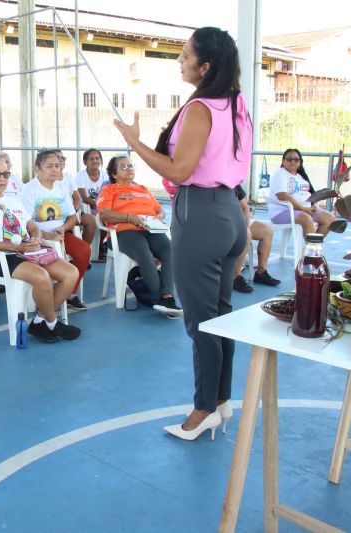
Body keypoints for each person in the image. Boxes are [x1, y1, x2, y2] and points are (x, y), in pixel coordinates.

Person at [114, 27, 252, 440]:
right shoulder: (236, 102)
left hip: (201, 217)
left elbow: (178, 171)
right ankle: (221, 399)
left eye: (185, 55)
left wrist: (134, 143)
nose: (179, 60)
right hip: (230, 213)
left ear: (205, 66)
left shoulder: (199, 109)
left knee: (201, 323)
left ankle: (203, 408)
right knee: (221, 315)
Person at [0, 156, 81, 343]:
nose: (2, 178)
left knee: (71, 273)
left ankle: (39, 320)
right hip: (3, 257)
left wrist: (36, 240)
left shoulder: (13, 200)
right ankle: (53, 323)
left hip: (29, 251)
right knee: (41, 277)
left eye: (6, 174)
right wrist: (16, 246)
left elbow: (33, 228)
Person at [97, 155, 182, 317]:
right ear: (114, 174)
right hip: (124, 231)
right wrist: (130, 218)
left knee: (170, 251)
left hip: (150, 228)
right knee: (145, 255)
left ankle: (166, 297)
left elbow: (159, 209)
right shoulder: (109, 190)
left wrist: (160, 215)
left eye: (131, 166)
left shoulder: (142, 189)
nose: (129, 169)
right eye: (123, 166)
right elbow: (105, 214)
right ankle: (164, 299)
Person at [20, 150, 90, 310]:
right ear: (37, 168)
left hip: (60, 235)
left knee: (84, 251)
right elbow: (24, 223)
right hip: (37, 238)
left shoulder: (61, 188)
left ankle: (69, 293)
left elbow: (73, 218)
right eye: (49, 166)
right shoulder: (30, 189)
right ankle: (46, 299)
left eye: (57, 166)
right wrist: (47, 235)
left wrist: (63, 228)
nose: (55, 169)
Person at [269, 148, 335, 237]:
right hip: (282, 212)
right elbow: (283, 196)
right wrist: (303, 209)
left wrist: (313, 205)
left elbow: (309, 194)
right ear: (283, 161)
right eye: (289, 159)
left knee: (329, 218)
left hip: (305, 210)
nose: (293, 161)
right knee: (306, 218)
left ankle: (312, 245)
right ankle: (311, 247)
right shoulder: (280, 174)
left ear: (300, 163)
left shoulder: (301, 176)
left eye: (296, 160)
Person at [232, 185, 281, 293]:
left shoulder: (233, 182)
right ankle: (235, 277)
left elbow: (244, 207)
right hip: (220, 222)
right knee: (246, 234)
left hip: (237, 220)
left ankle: (261, 273)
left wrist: (245, 225)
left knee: (267, 231)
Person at [76, 148, 110, 257]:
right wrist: (99, 204)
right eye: (91, 159)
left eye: (97, 158)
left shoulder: (106, 175)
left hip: (102, 207)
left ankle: (100, 246)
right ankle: (88, 250)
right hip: (87, 207)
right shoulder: (80, 176)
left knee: (108, 217)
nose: (95, 161)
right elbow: (84, 198)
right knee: (103, 215)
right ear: (85, 162)